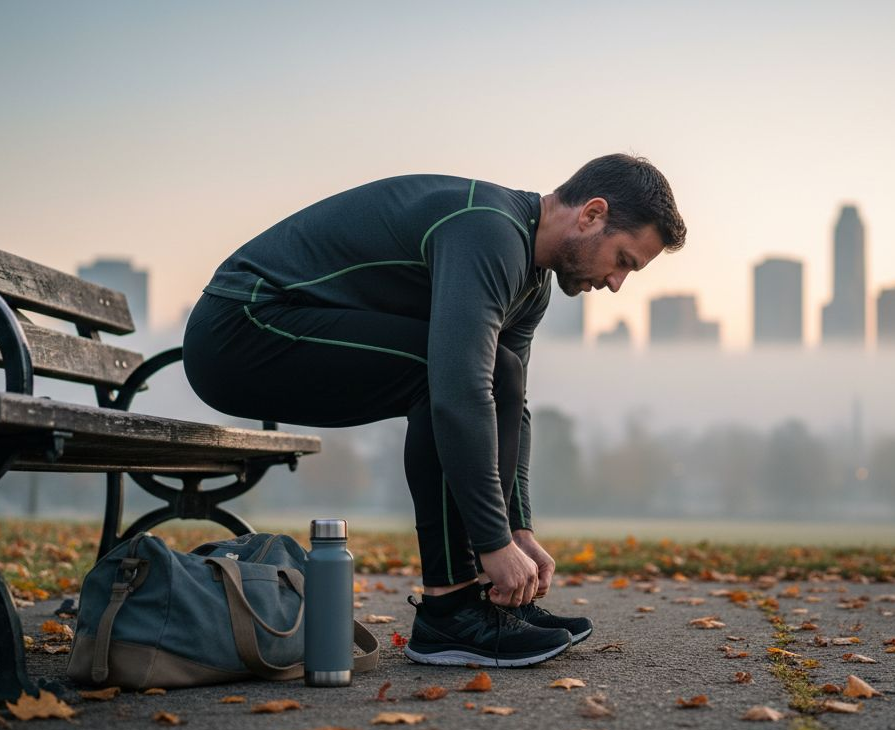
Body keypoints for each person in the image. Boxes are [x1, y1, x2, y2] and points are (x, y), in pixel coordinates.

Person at [182, 154, 686, 666]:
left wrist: (517, 528)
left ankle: (470, 606)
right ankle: (449, 609)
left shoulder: (530, 283)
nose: (617, 283)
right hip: (240, 327)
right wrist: (491, 542)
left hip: (280, 327)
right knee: (449, 375)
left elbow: (510, 401)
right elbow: (460, 392)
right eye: (623, 260)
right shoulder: (489, 231)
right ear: (591, 214)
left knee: (498, 372)